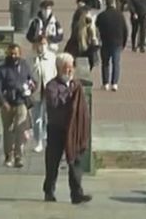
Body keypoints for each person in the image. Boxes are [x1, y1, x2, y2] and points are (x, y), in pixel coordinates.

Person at [42, 53, 92, 205]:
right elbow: (55, 103)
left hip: (73, 130)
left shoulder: (76, 85)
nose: (69, 70)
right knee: (53, 162)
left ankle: (77, 194)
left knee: (75, 161)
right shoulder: (51, 86)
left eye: (71, 67)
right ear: (59, 68)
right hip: (57, 129)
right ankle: (49, 191)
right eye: (66, 67)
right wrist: (70, 93)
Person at [0, 43, 34, 168]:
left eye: (15, 53)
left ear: (20, 54)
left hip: (21, 102)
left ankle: (18, 156)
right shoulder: (2, 69)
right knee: (8, 130)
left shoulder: (25, 66)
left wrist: (31, 87)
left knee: (19, 128)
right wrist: (3, 102)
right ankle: (8, 156)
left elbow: (31, 80)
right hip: (7, 103)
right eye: (11, 53)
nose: (13, 56)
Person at [31, 36, 57, 154]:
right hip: (36, 92)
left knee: (48, 117)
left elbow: (55, 73)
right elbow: (29, 74)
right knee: (37, 118)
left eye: (44, 44)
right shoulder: (31, 58)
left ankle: (46, 135)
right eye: (40, 44)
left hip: (49, 91)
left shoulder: (52, 57)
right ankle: (38, 141)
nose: (42, 46)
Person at [96, 0, 128, 92]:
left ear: (106, 3)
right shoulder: (120, 15)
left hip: (105, 42)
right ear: (113, 3)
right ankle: (114, 83)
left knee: (105, 63)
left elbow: (97, 29)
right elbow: (125, 30)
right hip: (117, 42)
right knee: (116, 63)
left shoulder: (101, 15)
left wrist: (98, 40)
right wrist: (124, 43)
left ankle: (105, 83)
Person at [64, 7, 100, 72]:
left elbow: (96, 43)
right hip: (79, 53)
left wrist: (92, 32)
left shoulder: (92, 29)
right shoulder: (78, 28)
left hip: (87, 53)